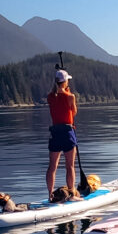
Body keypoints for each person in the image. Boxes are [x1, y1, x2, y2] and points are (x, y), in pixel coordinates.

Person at [46, 68, 79, 200]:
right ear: (65, 82)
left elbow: (56, 99)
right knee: (69, 165)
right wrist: (67, 93)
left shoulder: (50, 97)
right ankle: (71, 193)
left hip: (55, 132)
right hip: (67, 131)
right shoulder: (70, 96)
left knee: (52, 166)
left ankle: (50, 194)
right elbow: (74, 112)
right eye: (67, 81)